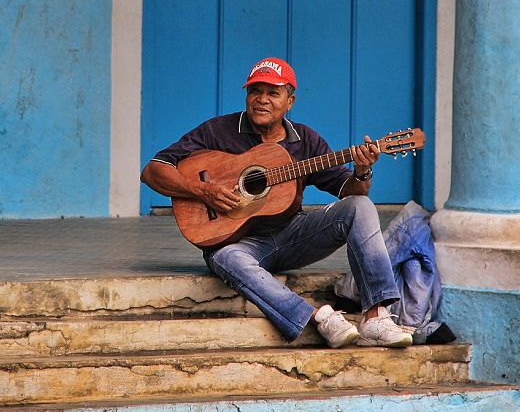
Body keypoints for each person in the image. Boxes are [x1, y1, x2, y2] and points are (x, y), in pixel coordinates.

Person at [141, 57, 412, 348]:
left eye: (273, 93)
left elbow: (350, 190)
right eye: (255, 91)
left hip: (293, 236)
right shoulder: (217, 131)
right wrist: (202, 190)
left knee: (360, 206)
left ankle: (376, 316)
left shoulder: (306, 140)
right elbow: (153, 170)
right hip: (239, 243)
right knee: (223, 258)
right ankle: (318, 316)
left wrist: (362, 171)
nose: (262, 100)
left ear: (290, 101)